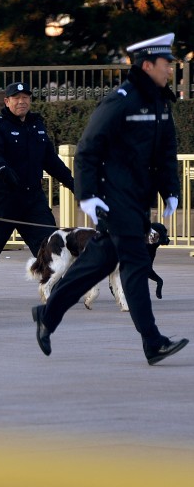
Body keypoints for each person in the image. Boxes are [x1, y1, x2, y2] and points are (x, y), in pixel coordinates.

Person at [32, 33, 189, 366]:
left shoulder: (159, 100)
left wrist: (171, 190)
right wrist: (87, 196)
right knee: (134, 265)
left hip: (137, 200)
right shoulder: (120, 100)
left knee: (98, 263)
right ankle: (153, 342)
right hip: (114, 199)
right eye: (166, 64)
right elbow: (88, 149)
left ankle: (48, 314)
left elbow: (165, 151)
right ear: (148, 65)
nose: (170, 70)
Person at [0, 82, 74, 302]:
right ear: (7, 101)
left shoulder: (37, 125)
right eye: (16, 98)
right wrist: (2, 170)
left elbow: (50, 160)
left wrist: (72, 182)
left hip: (32, 199)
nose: (22, 101)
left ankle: (53, 282)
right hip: (4, 198)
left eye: (25, 97)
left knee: (48, 242)